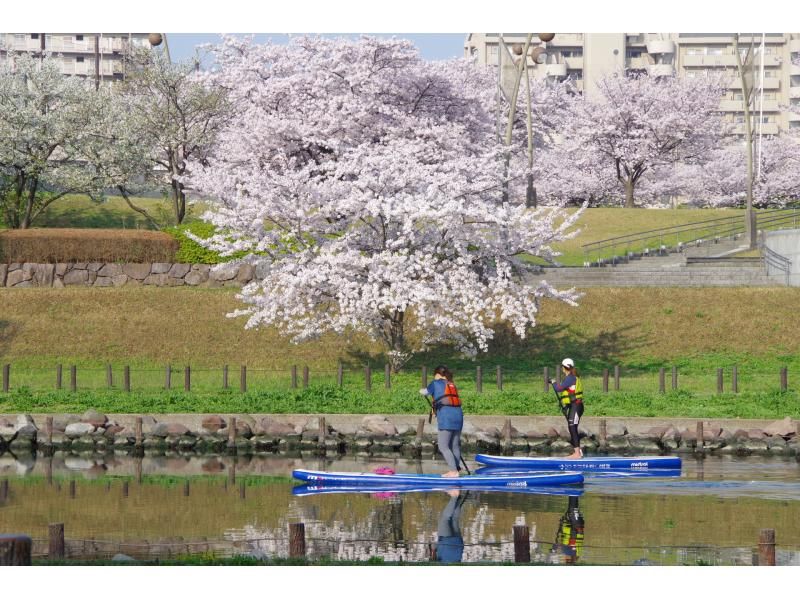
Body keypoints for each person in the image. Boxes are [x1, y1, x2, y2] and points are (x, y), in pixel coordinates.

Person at [420, 365, 464, 477]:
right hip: (458, 416)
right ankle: (456, 470)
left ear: (438, 374)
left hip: (446, 418)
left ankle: (453, 471)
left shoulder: (435, 383)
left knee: (443, 446)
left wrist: (421, 390)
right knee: (454, 445)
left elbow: (425, 392)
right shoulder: (452, 384)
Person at [549, 358, 584, 459]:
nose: (562, 369)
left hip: (576, 406)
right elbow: (569, 393)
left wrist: (553, 382)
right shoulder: (571, 377)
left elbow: (559, 388)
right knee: (572, 428)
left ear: (565, 368)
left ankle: (577, 454)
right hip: (573, 406)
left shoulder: (570, 378)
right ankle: (578, 451)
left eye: (562, 367)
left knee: (572, 427)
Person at [550, 495, 585, 565]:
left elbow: (561, 545)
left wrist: (554, 549)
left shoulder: (573, 553)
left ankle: (574, 489)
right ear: (570, 559)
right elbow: (571, 540)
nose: (565, 558)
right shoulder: (570, 552)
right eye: (566, 559)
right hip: (575, 524)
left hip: (575, 523)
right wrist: (554, 549)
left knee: (573, 506)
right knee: (573, 507)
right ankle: (574, 489)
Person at [435, 489, 466, 563]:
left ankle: (457, 498)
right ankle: (455, 496)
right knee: (445, 519)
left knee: (454, 519)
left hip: (458, 545)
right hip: (446, 545)